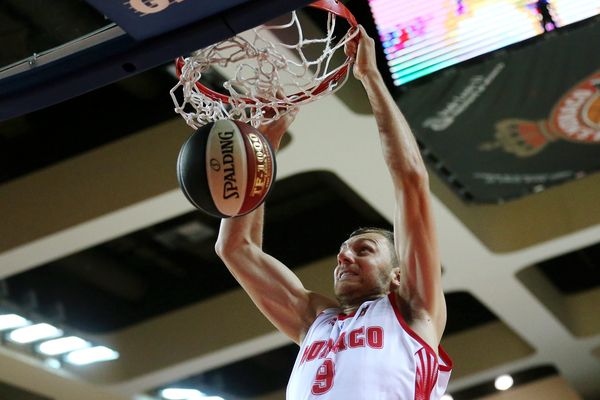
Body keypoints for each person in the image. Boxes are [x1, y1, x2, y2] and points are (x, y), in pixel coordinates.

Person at [215, 25, 452, 400]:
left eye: (364, 250)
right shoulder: (315, 321)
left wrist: (371, 78)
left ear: (396, 277)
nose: (344, 256)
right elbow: (236, 248)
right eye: (346, 249)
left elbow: (411, 180)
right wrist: (265, 144)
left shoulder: (414, 312)